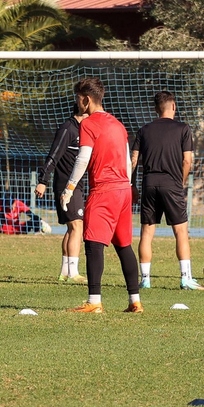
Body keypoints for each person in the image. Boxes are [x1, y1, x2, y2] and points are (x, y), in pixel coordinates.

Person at [59, 76, 142, 313]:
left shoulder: (88, 124)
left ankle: (94, 302)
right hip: (123, 190)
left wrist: (69, 188)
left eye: (78, 99)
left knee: (93, 243)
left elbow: (83, 158)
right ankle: (135, 301)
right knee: (124, 245)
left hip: (104, 190)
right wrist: (129, 186)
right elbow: (127, 161)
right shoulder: (118, 124)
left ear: (86, 100)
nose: (77, 103)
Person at [132, 91, 204, 290]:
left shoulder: (144, 130)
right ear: (173, 106)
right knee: (181, 231)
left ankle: (145, 280)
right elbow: (187, 160)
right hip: (172, 184)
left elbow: (134, 160)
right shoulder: (183, 129)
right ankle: (186, 279)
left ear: (156, 109)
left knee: (147, 232)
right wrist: (181, 181)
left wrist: (133, 185)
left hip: (149, 184)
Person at [36, 105, 89, 283]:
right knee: (77, 226)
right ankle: (73, 273)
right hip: (66, 186)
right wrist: (43, 181)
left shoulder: (82, 130)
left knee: (72, 227)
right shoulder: (68, 128)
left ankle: (65, 272)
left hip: (76, 186)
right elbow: (53, 155)